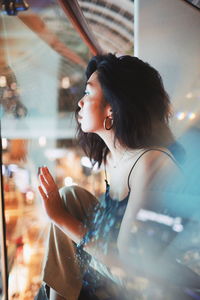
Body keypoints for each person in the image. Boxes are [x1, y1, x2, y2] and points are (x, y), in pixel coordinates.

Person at [37, 54, 199, 300]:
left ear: (112, 107)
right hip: (119, 277)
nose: (80, 102)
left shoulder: (152, 163)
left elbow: (130, 268)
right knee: (71, 196)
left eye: (89, 93)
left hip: (149, 289)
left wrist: (59, 217)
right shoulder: (115, 162)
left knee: (67, 206)